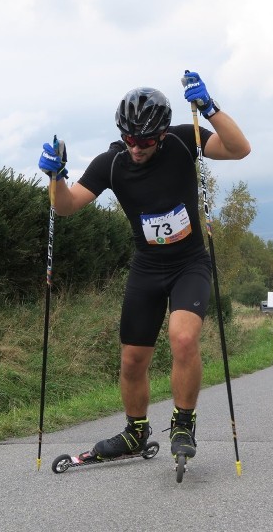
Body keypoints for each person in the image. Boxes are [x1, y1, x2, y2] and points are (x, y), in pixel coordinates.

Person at [37, 71, 251, 463]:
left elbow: (239, 149)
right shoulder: (112, 163)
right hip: (147, 268)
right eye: (130, 139)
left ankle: (183, 423)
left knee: (183, 339)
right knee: (133, 359)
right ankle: (135, 432)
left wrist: (210, 108)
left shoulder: (186, 141)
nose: (137, 148)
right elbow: (65, 207)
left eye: (146, 141)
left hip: (190, 263)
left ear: (163, 135)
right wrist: (55, 177)